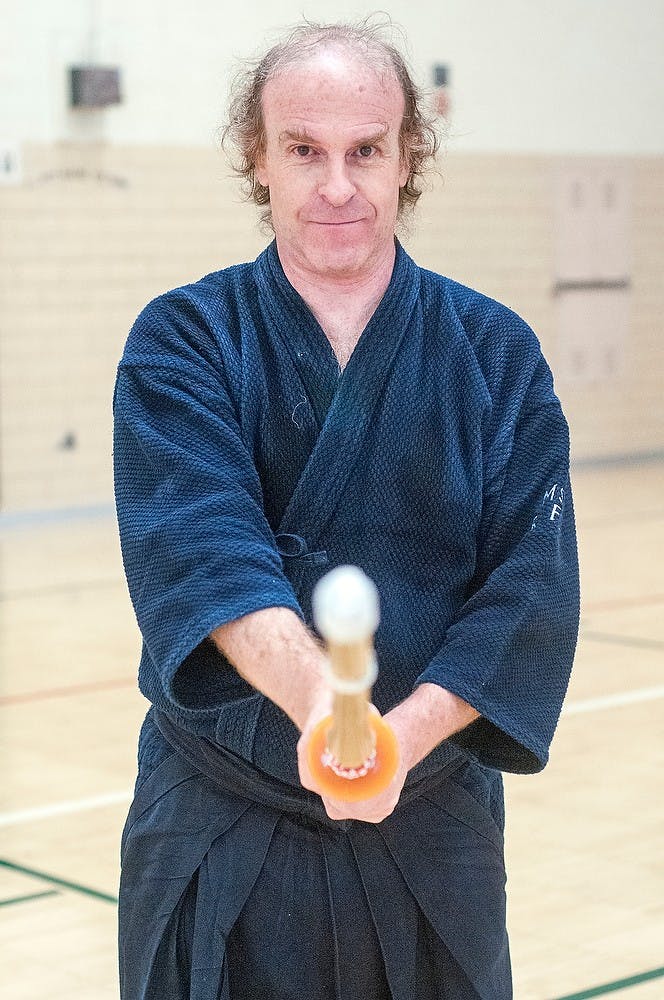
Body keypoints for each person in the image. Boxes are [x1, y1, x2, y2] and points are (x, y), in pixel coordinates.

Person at [113, 18, 579, 1000]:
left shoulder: (495, 354)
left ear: (409, 154)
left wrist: (397, 736)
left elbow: (526, 590)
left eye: (365, 149)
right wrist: (328, 714)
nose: (335, 184)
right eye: (303, 149)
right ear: (259, 157)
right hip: (216, 820)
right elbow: (205, 554)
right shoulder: (183, 341)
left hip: (426, 821)